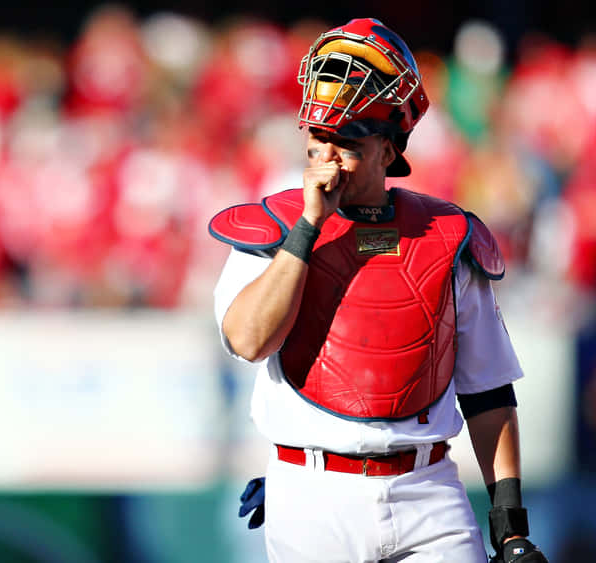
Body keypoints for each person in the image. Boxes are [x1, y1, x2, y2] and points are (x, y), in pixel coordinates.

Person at [209, 18, 547, 563]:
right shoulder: (270, 226)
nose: (328, 158)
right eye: (319, 138)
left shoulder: (449, 236)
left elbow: (488, 390)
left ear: (390, 151)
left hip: (428, 491)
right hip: (311, 490)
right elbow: (249, 339)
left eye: (348, 142)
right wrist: (307, 228)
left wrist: (509, 526)